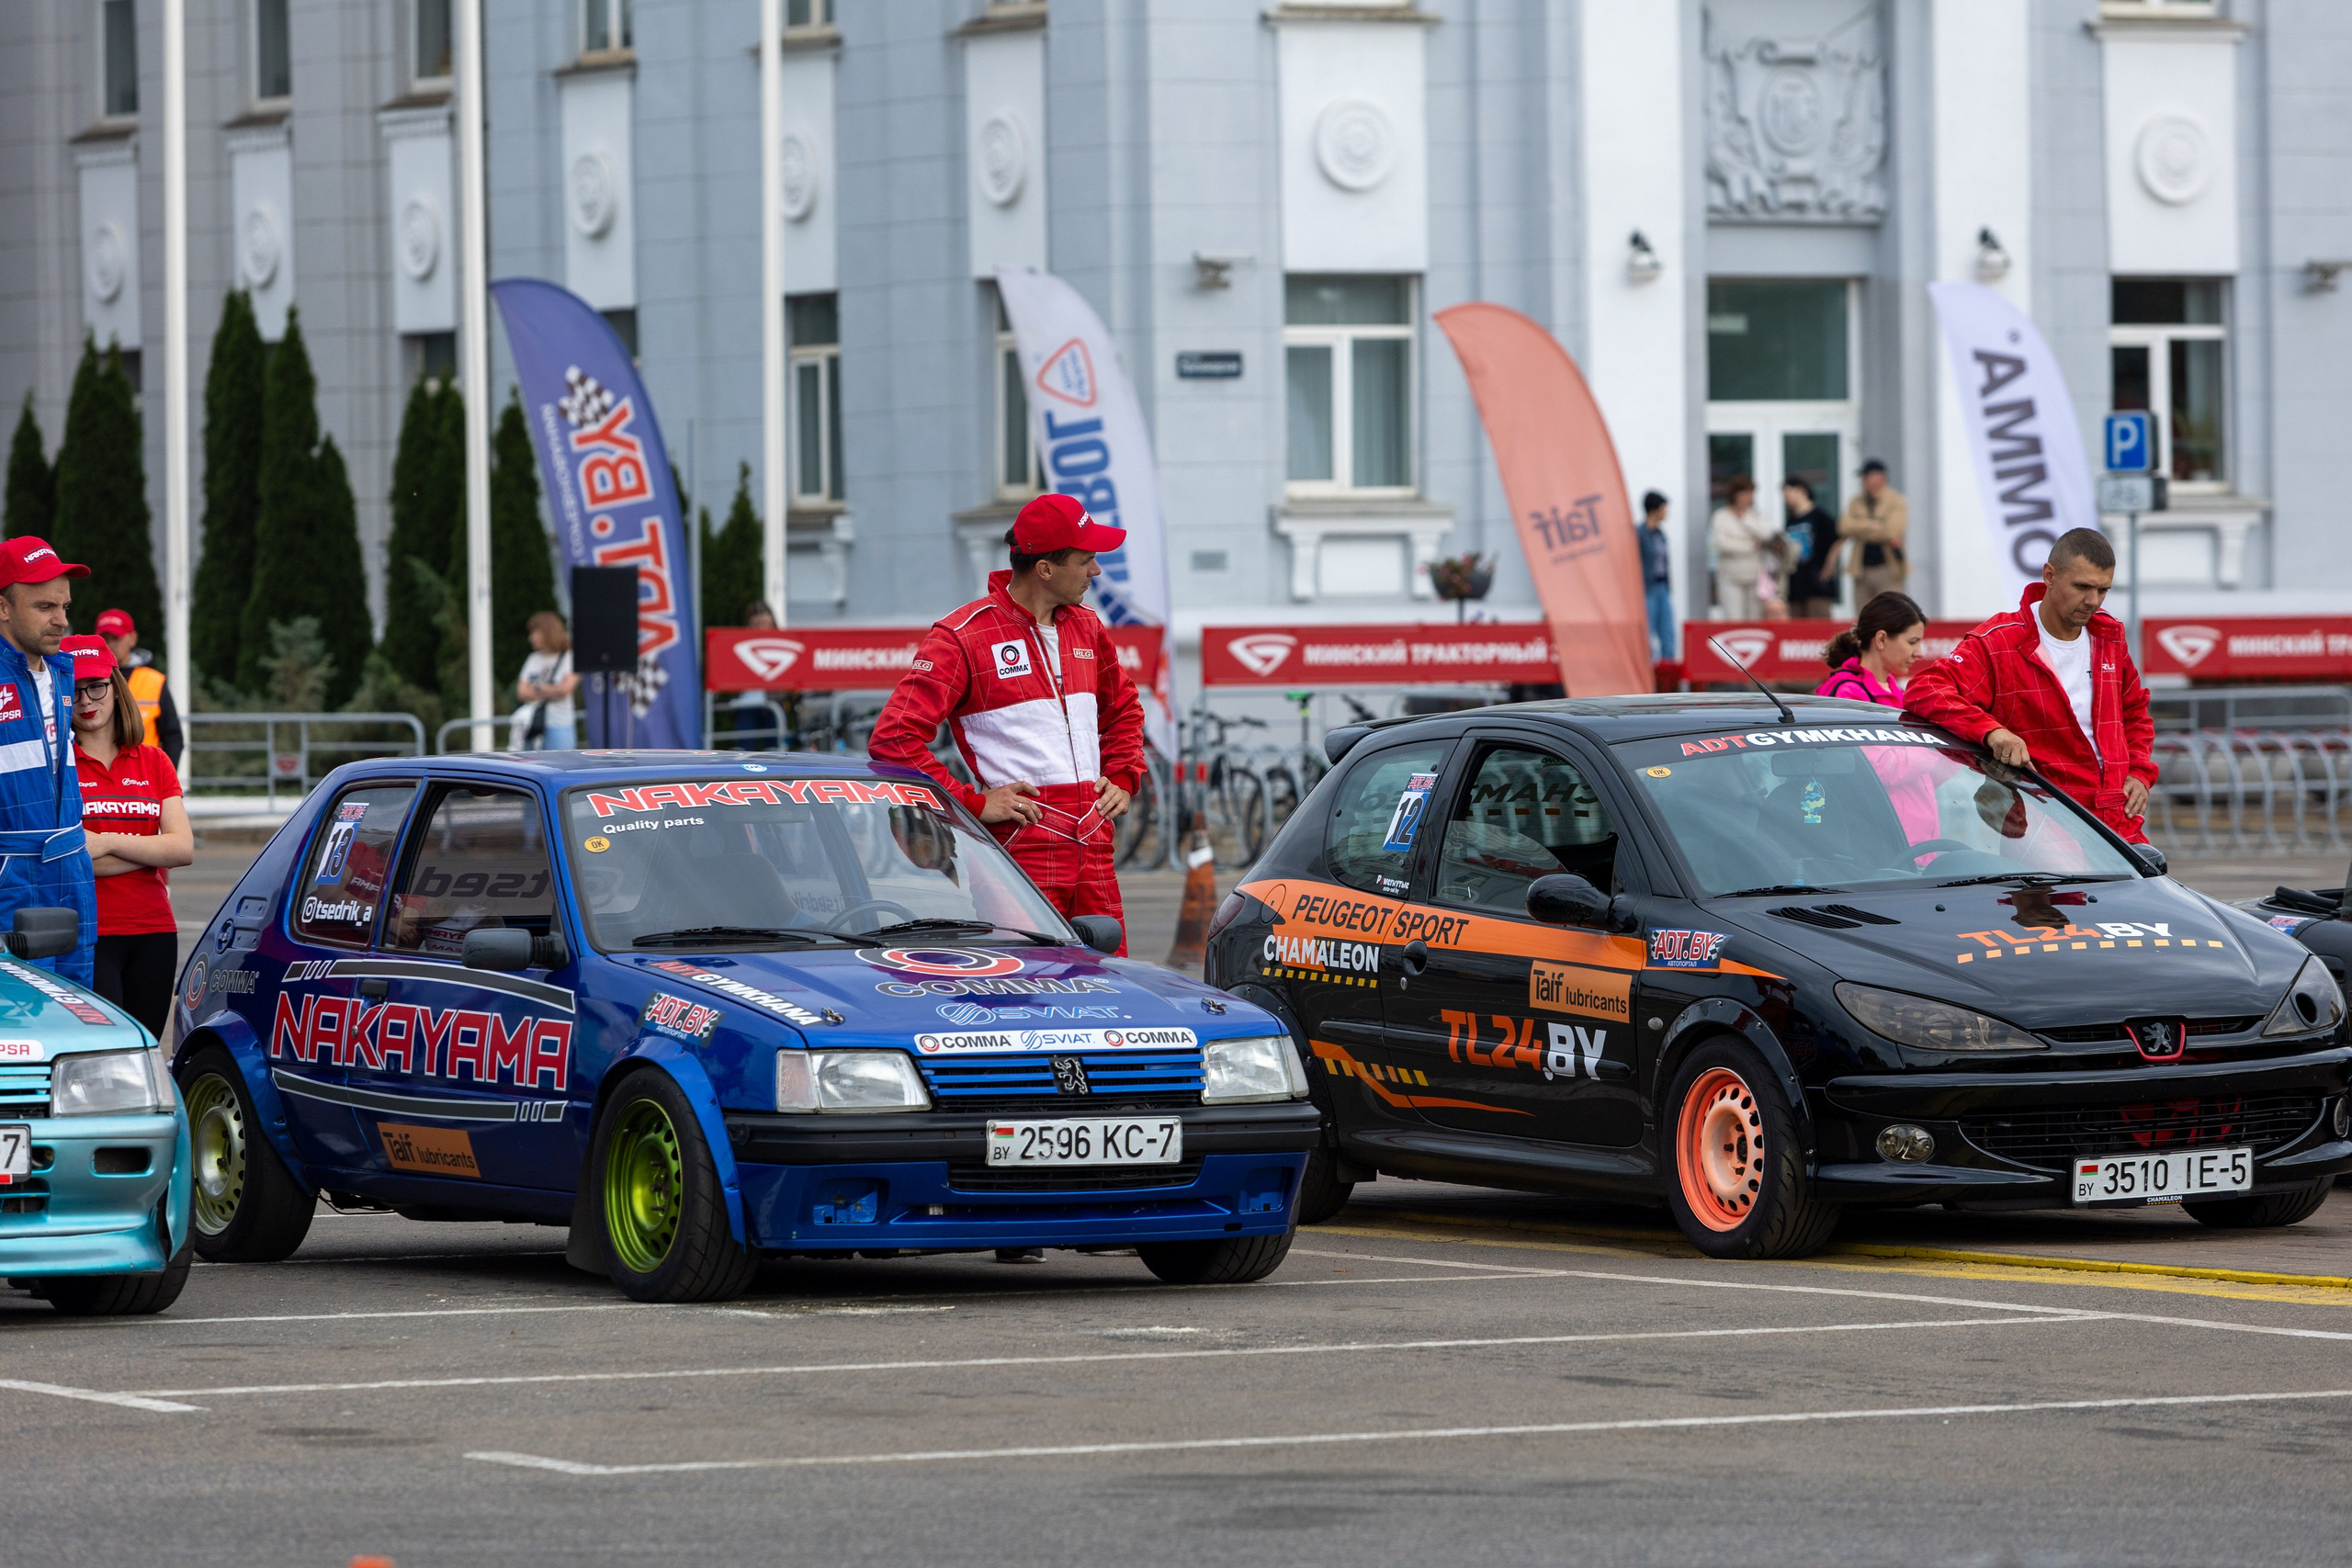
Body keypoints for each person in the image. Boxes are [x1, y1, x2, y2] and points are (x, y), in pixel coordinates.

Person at [866, 493, 1146, 1268]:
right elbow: (893, 742)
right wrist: (971, 802)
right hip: (1020, 859)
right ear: (1045, 566)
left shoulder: (1088, 628)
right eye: (1086, 558)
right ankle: (1016, 1209)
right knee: (1020, 1031)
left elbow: (1125, 711)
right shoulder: (962, 636)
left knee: (1112, 1021)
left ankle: (1109, 1199)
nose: (1097, 570)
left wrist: (1125, 774)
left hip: (1092, 844)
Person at [1905, 527, 2156, 843]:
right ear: (2049, 575)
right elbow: (1926, 688)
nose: (2092, 601)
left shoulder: (2110, 637)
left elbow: (2134, 712)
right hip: (2045, 819)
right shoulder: (1999, 641)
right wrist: (1991, 731)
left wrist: (2140, 772)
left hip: (2119, 822)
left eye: (2103, 590)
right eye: (2082, 587)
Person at [64, 635, 191, 1036]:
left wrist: (106, 842)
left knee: (146, 1048)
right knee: (104, 1050)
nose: (86, 701)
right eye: (74, 689)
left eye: (96, 687)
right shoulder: (58, 764)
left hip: (155, 931)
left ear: (116, 688)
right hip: (88, 934)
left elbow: (182, 848)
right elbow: (69, 860)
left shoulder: (154, 760)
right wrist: (150, 851)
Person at [0, 537, 97, 986]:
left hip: (71, 866)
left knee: (78, 1004)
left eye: (64, 606)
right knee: (18, 1011)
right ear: (3, 608)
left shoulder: (63, 671)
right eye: (45, 607)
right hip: (12, 871)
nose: (62, 620)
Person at [1816, 592, 1936, 849]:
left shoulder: (1900, 694)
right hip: (1880, 846)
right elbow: (1876, 769)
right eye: (1912, 642)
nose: (1919, 653)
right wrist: (1935, 748)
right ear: (1881, 639)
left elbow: (1923, 775)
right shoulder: (1848, 695)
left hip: (1918, 843)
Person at [94, 608, 183, 770]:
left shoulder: (154, 681)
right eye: (104, 639)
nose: (110, 645)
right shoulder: (85, 680)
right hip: (100, 773)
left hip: (144, 774)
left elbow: (172, 736)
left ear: (132, 638)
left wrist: (165, 776)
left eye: (116, 638)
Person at [1708, 475, 1782, 619]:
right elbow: (1723, 544)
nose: (1749, 497)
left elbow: (1767, 534)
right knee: (1734, 619)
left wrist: (1746, 519)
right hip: (1730, 577)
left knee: (1754, 619)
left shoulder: (1757, 515)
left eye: (1751, 493)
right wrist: (1751, 545)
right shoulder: (1721, 516)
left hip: (1755, 578)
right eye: (1745, 493)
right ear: (1735, 494)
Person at [1838, 459, 1909, 602]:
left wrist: (1858, 530)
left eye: (1866, 476)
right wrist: (1871, 525)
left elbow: (1891, 532)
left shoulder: (1896, 500)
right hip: (1861, 568)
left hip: (1887, 567)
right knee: (1864, 611)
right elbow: (1843, 527)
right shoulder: (1856, 501)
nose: (1862, 481)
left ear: (1880, 477)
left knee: (1889, 609)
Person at [513, 611, 578, 750]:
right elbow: (521, 692)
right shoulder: (533, 659)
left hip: (560, 725)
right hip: (533, 724)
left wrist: (537, 688)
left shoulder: (568, 657)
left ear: (548, 632)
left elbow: (565, 689)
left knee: (560, 762)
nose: (531, 638)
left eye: (535, 633)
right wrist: (551, 690)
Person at [1781, 478, 1840, 620]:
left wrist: (1830, 564)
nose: (1786, 498)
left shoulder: (1820, 516)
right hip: (1796, 584)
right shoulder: (1791, 520)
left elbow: (1839, 538)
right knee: (1797, 626)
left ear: (1800, 490)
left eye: (1788, 493)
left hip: (1817, 583)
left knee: (1818, 624)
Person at [1636, 491, 1674, 663]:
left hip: (1662, 587)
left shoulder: (1660, 534)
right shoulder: (1639, 534)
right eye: (1663, 508)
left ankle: (1668, 668)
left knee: (1667, 631)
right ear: (1654, 510)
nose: (1666, 512)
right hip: (1647, 589)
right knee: (1647, 631)